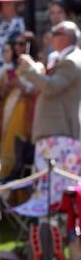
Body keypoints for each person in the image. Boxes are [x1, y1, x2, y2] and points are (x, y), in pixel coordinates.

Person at [15, 20, 81, 216]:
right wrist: (32, 70)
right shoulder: (64, 59)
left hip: (60, 137)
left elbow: (51, 87)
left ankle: (60, 238)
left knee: (57, 196)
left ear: (66, 36)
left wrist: (31, 70)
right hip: (54, 137)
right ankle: (51, 238)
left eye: (55, 31)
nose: (50, 35)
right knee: (49, 194)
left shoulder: (72, 60)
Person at [0, 32, 37, 177]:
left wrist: (20, 85)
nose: (18, 47)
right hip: (8, 113)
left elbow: (37, 92)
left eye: (22, 44)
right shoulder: (9, 70)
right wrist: (6, 87)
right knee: (7, 147)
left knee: (20, 151)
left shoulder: (36, 68)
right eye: (16, 44)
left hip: (25, 115)